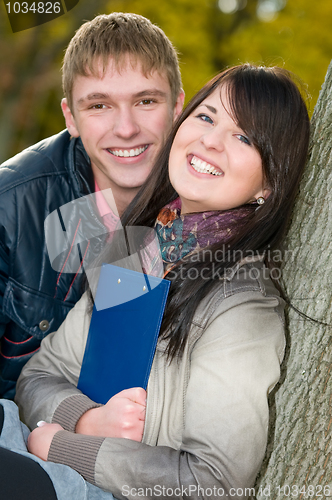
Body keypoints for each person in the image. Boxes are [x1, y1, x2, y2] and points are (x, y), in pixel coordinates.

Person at [14, 64, 310, 499]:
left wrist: (63, 446)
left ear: (269, 183)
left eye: (244, 137)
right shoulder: (141, 252)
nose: (210, 140)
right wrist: (86, 420)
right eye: (206, 117)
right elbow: (39, 375)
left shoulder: (243, 305)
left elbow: (215, 480)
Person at [0, 12, 184, 399]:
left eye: (146, 100)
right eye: (99, 106)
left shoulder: (208, 199)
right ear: (71, 117)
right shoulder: (10, 209)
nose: (126, 128)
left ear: (177, 106)